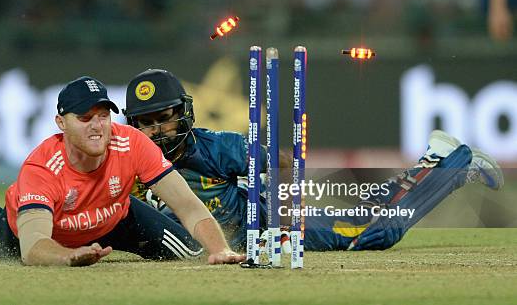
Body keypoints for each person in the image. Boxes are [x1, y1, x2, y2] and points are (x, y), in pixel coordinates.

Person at [123, 69, 505, 252]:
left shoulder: (212, 148)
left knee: (374, 233)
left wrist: (281, 225)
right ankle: (432, 161)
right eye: (146, 123)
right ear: (132, 125)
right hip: (227, 241)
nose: (157, 131)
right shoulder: (126, 158)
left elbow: (283, 163)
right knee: (363, 217)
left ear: (183, 114)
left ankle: (450, 164)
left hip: (268, 228)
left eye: (165, 118)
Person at [0, 76, 245, 266]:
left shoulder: (132, 143)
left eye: (103, 116)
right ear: (62, 123)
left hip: (116, 219)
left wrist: (221, 249)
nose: (97, 126)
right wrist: (67, 255)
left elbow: (189, 207)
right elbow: (33, 248)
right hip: (35, 233)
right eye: (85, 117)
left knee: (194, 253)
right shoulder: (41, 168)